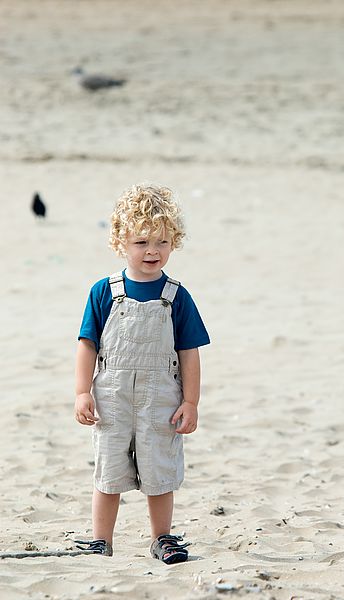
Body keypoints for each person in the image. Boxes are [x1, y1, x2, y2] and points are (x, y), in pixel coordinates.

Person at [74, 183, 210, 563]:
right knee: (109, 469)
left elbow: (189, 351)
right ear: (120, 241)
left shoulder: (176, 296)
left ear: (174, 243)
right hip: (112, 396)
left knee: (158, 469)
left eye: (162, 242)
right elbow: (87, 344)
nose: (153, 251)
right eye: (142, 242)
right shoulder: (104, 291)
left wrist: (191, 401)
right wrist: (82, 392)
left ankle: (162, 537)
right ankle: (101, 539)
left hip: (161, 398)